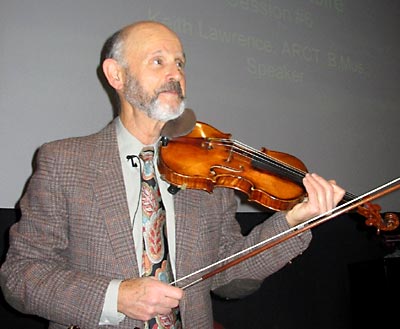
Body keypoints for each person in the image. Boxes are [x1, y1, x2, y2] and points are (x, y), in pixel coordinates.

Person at [0, 21, 345, 329]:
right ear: (116, 75)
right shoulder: (63, 161)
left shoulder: (207, 175)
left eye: (180, 63)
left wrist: (292, 223)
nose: (175, 74)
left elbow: (228, 278)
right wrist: (115, 297)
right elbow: (20, 276)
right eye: (158, 61)